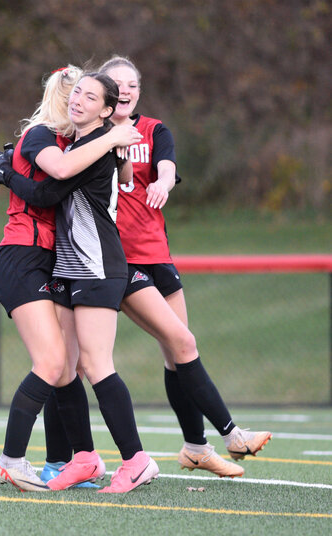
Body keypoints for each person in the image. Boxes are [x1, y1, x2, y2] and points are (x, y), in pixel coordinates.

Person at [97, 55, 271, 476]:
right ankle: (232, 436)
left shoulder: (154, 129)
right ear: (102, 90)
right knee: (183, 344)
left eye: (132, 85)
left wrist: (163, 179)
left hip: (157, 252)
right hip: (120, 260)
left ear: (139, 90)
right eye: (116, 84)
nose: (125, 91)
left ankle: (195, 446)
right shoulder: (94, 134)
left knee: (178, 354)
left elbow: (168, 164)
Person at [0, 72, 160, 493]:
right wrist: (115, 136)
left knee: (95, 364)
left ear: (107, 108)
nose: (78, 100)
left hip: (97, 262)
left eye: (89, 95)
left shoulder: (92, 144)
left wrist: (114, 135)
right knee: (68, 367)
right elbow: (55, 190)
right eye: (75, 93)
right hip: (69, 265)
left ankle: (136, 461)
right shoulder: (77, 141)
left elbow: (53, 189)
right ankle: (84, 457)